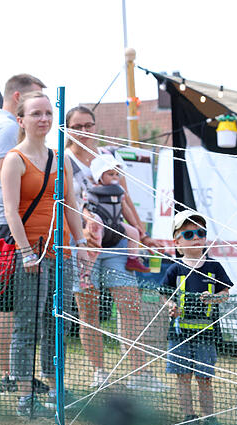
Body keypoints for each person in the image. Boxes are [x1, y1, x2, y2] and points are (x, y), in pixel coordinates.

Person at [0, 91, 85, 417]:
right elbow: (11, 211)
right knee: (28, 326)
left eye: (48, 113)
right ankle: (25, 396)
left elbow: (71, 206)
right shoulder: (14, 159)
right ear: (21, 120)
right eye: (36, 113)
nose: (44, 119)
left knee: (56, 325)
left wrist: (79, 246)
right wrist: (25, 253)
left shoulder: (59, 158)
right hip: (31, 257)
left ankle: (54, 389)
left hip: (59, 255)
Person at [66, 105, 161, 391]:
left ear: (96, 127)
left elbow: (125, 197)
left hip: (117, 240)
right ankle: (100, 373)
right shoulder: (63, 159)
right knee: (89, 311)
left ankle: (139, 374)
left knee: (130, 304)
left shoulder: (107, 156)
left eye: (89, 125)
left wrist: (142, 234)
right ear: (68, 129)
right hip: (84, 246)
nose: (85, 131)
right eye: (78, 126)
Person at [0, 73, 45, 394]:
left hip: (3, 221)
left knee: (7, 303)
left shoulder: (4, 125)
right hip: (5, 223)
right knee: (6, 304)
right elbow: (8, 176)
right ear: (16, 99)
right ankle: (11, 375)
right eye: (33, 99)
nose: (38, 109)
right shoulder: (8, 128)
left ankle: (14, 373)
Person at [161, 210, 235, 425]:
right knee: (183, 377)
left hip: (207, 334)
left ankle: (210, 420)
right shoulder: (175, 268)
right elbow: (163, 293)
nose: (196, 238)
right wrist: (170, 306)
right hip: (179, 334)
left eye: (200, 233)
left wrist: (215, 298)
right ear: (177, 242)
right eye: (189, 234)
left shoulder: (214, 267)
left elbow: (226, 292)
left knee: (205, 379)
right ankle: (188, 418)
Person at [78, 155, 151, 290]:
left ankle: (133, 259)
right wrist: (89, 219)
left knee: (133, 233)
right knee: (96, 236)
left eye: (117, 174)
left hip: (115, 223)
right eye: (110, 174)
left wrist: (136, 225)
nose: (115, 178)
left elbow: (125, 208)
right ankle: (86, 273)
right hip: (100, 222)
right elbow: (85, 208)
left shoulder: (119, 192)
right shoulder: (93, 191)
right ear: (99, 175)